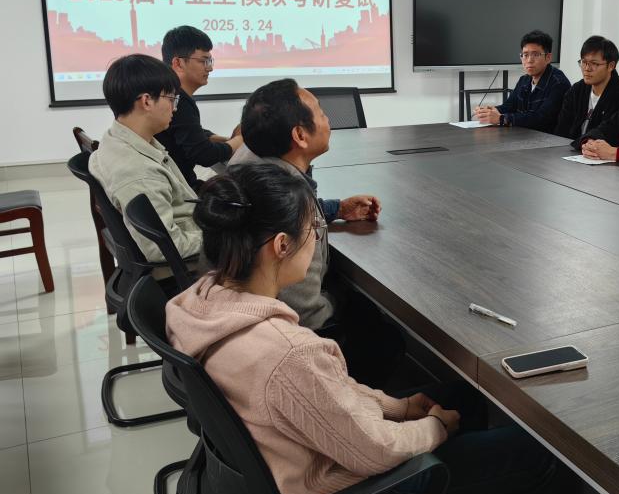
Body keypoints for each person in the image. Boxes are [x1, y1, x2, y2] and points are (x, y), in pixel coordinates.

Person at [166, 164, 564, 494]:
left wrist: (399, 407)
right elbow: (374, 451)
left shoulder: (196, 304)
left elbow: (328, 393)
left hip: (284, 465)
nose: (316, 239)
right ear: (282, 246)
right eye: (313, 229)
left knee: (466, 398)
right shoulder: (288, 353)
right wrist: (434, 428)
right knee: (536, 453)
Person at [230, 79, 397, 387]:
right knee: (381, 329)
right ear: (300, 135)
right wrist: (342, 300)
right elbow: (307, 313)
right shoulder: (287, 204)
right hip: (298, 347)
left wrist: (335, 209)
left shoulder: (256, 164)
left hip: (249, 325)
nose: (328, 119)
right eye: (321, 112)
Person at [88, 54, 201, 262]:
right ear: (147, 101)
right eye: (171, 99)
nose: (175, 108)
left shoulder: (116, 139)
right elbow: (163, 249)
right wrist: (222, 239)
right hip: (191, 264)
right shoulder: (139, 172)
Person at [156, 25, 244, 190]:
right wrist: (239, 141)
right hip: (180, 192)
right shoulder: (177, 99)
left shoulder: (170, 94)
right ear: (178, 63)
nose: (210, 68)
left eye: (210, 61)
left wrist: (223, 139)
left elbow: (187, 132)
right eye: (204, 61)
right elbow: (204, 155)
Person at [474, 30, 570, 133]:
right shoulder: (524, 80)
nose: (529, 60)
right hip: (524, 135)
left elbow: (541, 118)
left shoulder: (559, 83)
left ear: (548, 57)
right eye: (525, 55)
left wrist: (501, 118)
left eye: (535, 55)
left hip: (549, 140)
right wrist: (489, 111)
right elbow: (509, 106)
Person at [554, 35, 619, 141]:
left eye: (594, 64)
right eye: (584, 62)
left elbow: (612, 136)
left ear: (611, 66)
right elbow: (561, 130)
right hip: (569, 147)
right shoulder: (576, 90)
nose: (587, 68)